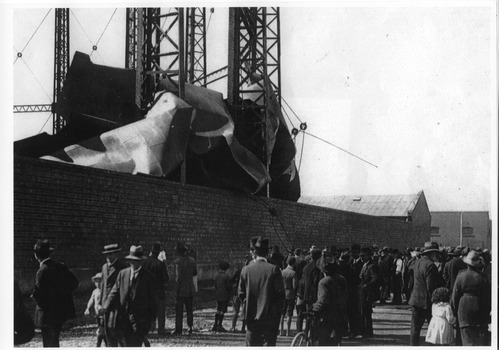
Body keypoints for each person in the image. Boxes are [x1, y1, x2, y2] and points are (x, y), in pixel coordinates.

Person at [100, 245, 156, 347]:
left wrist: (152, 320)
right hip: (123, 318)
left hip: (140, 319)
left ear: (141, 262)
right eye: (131, 260)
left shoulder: (148, 277)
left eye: (136, 261)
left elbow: (153, 301)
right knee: (125, 344)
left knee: (135, 344)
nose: (133, 263)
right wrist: (105, 307)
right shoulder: (123, 274)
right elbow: (114, 292)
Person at [32, 239, 79, 347]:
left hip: (47, 315)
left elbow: (39, 293)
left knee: (48, 343)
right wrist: (62, 295)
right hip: (60, 313)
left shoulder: (41, 271)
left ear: (36, 255)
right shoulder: (60, 266)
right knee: (54, 341)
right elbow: (74, 283)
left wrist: (34, 295)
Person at [238, 236, 285, 346]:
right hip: (269, 319)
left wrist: (248, 306)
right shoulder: (274, 269)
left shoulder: (246, 270)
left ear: (255, 252)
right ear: (267, 253)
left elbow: (241, 294)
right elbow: (280, 295)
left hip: (251, 318)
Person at [451, 250, 491, 346]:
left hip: (464, 310)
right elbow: (488, 298)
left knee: (467, 339)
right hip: (479, 310)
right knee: (479, 340)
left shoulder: (461, 275)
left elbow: (455, 297)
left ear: (467, 263)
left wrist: (454, 312)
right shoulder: (484, 277)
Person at [408, 241, 445, 346]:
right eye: (436, 253)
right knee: (432, 328)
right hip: (427, 302)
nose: (438, 256)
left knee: (415, 329)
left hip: (415, 300)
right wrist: (437, 300)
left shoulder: (417, 262)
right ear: (432, 253)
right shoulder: (430, 265)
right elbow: (431, 287)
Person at [312, 257, 348, 345]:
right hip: (340, 314)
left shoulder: (324, 282)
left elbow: (323, 299)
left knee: (323, 341)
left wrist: (314, 310)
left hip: (327, 316)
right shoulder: (342, 279)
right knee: (335, 340)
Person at [99, 243, 127, 347]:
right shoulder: (104, 267)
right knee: (107, 333)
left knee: (118, 332)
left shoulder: (123, 268)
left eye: (111, 254)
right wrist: (100, 303)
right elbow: (103, 286)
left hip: (117, 305)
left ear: (116, 254)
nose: (109, 257)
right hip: (105, 306)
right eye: (107, 255)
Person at [142, 241, 169, 335]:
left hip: (147, 291)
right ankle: (161, 330)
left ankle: (149, 329)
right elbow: (166, 278)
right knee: (160, 311)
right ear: (158, 253)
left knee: (148, 310)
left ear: (151, 251)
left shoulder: (145, 263)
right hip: (159, 291)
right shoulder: (160, 264)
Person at [173, 242, 198, 335]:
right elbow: (195, 273)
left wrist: (175, 289)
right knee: (189, 309)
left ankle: (178, 329)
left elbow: (177, 277)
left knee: (179, 310)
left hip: (180, 289)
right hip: (190, 287)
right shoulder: (192, 260)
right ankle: (190, 327)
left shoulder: (177, 262)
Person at [297, 248, 322, 334]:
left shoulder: (306, 267)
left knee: (308, 314)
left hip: (305, 294)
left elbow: (302, 281)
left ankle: (305, 332)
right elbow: (316, 283)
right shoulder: (317, 268)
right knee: (314, 315)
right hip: (313, 295)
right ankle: (310, 333)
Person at [358, 247, 379, 339]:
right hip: (363, 292)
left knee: (366, 312)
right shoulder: (365, 265)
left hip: (368, 292)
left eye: (363, 256)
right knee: (363, 312)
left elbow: (376, 278)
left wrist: (367, 285)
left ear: (368, 256)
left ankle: (368, 332)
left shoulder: (372, 265)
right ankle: (364, 331)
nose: (362, 258)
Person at [84, 272, 107, 347]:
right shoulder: (95, 291)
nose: (97, 283)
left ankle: (100, 344)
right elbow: (91, 300)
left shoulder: (105, 291)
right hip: (97, 314)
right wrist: (88, 308)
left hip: (103, 314)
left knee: (102, 329)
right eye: (96, 281)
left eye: (99, 281)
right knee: (100, 329)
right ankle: (102, 343)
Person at [280, 256, 298, 336]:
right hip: (290, 294)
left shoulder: (282, 272)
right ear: (294, 263)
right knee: (289, 313)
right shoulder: (293, 273)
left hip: (283, 293)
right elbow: (295, 286)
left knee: (282, 313)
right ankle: (288, 331)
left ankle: (281, 330)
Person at [213, 261, 231, 332]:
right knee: (222, 311)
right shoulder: (226, 276)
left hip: (218, 295)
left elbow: (215, 285)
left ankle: (215, 324)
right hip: (225, 295)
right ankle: (219, 325)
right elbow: (229, 287)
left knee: (218, 309)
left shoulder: (217, 276)